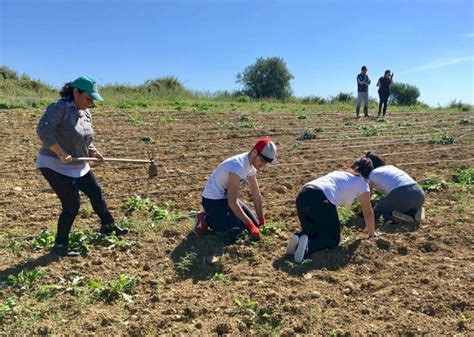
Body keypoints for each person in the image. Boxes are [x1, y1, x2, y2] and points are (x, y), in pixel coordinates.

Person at [36, 76, 128, 257]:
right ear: (75, 92)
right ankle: (60, 246)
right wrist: (60, 152)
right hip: (54, 164)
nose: (91, 103)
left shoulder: (86, 113)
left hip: (77, 162)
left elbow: (85, 138)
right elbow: (43, 130)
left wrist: (93, 151)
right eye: (88, 98)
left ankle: (108, 226)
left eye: (93, 99)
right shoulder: (60, 107)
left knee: (95, 192)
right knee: (72, 203)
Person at [286, 158, 379, 263]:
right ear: (368, 174)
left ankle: (297, 238)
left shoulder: (340, 172)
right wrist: (372, 234)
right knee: (332, 239)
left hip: (303, 194)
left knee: (312, 231)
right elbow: (368, 212)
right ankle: (308, 247)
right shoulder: (362, 183)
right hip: (322, 197)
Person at [194, 137, 278, 240]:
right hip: (212, 201)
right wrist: (249, 225)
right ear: (255, 152)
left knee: (255, 225)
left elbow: (256, 195)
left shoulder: (251, 166)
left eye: (267, 163)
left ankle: (226, 219)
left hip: (226, 199)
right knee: (237, 233)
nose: (263, 165)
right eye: (262, 160)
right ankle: (206, 218)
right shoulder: (237, 166)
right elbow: (232, 202)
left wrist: (261, 220)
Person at [365, 151, 425, 224]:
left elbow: (368, 195)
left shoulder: (371, 175)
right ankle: (417, 211)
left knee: (376, 211)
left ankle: (398, 218)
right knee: (404, 205)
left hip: (401, 195)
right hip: (419, 193)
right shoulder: (391, 167)